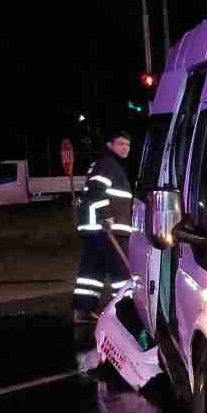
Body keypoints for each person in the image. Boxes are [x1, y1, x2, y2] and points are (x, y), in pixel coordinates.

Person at [73, 130, 134, 324]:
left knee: (92, 272)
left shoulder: (108, 164)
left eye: (127, 145)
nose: (125, 148)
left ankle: (83, 310)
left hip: (96, 229)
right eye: (120, 144)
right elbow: (95, 193)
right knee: (122, 271)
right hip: (106, 229)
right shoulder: (108, 164)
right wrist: (107, 217)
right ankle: (126, 311)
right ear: (110, 145)